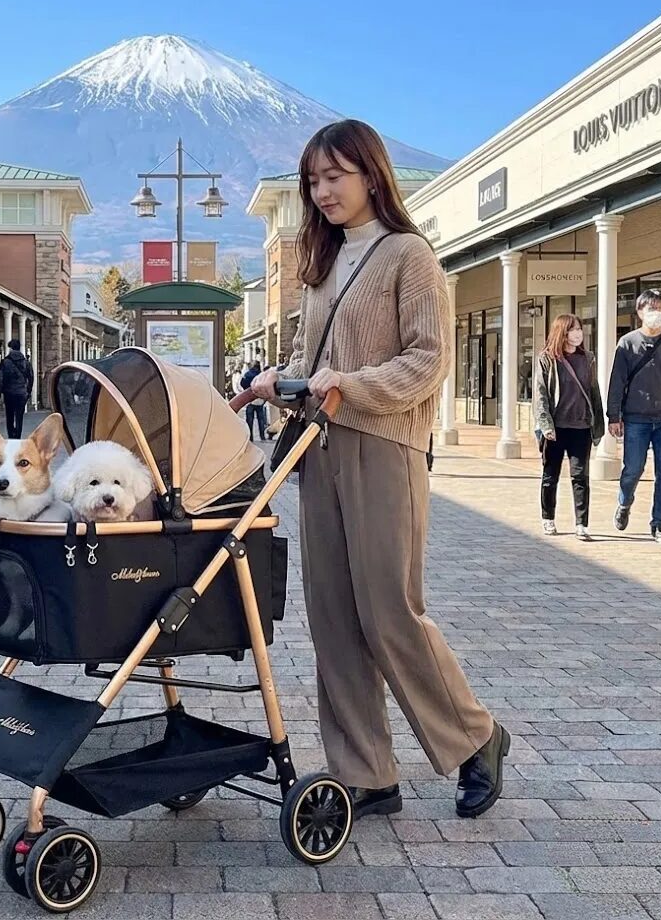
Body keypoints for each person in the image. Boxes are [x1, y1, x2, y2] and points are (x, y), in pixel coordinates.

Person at [251, 119, 507, 821]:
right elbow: (309, 355)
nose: (322, 190)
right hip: (318, 451)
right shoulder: (321, 262)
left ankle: (476, 737)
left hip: (384, 449)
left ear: (371, 174)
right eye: (313, 179)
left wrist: (349, 384)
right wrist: (276, 382)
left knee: (389, 610)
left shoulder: (409, 256)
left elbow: (428, 362)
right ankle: (365, 771)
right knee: (332, 616)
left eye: (335, 175)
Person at [533, 314, 605, 541]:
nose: (577, 334)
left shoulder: (588, 358)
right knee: (550, 476)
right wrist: (546, 425)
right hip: (555, 428)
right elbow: (541, 395)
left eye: (579, 329)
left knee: (580, 476)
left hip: (581, 426)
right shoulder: (547, 359)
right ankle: (548, 518)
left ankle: (582, 524)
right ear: (562, 332)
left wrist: (598, 424)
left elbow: (594, 393)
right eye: (572, 329)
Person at [608, 289, 661, 542]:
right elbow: (617, 382)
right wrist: (614, 416)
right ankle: (624, 503)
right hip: (636, 418)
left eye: (660, 308)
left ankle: (659, 524)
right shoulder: (627, 343)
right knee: (633, 469)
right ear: (640, 312)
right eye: (650, 308)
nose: (655, 313)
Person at [0, 338, 34, 439]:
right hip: (22, 393)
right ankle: (17, 436)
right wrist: (28, 391)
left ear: (11, 348)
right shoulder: (26, 363)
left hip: (9, 392)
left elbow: (1, 378)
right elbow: (31, 378)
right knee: (19, 416)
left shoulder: (5, 362)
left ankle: (11, 435)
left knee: (9, 415)